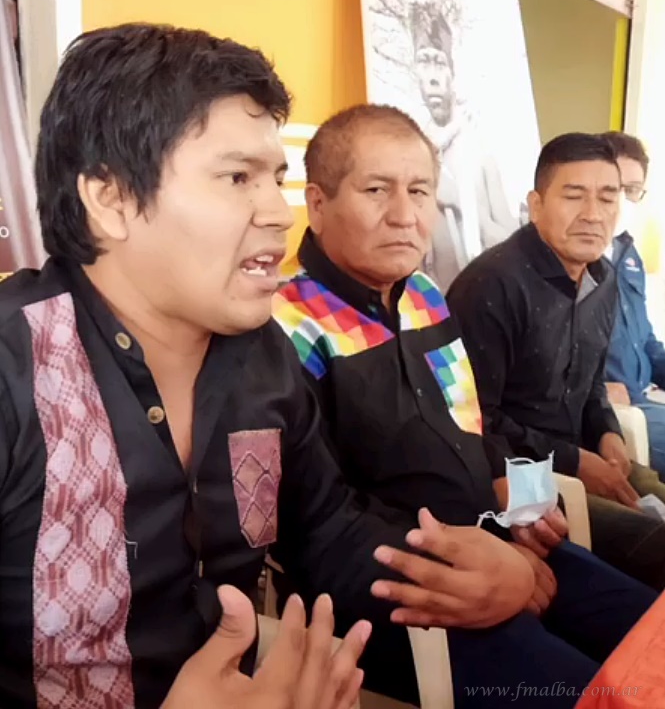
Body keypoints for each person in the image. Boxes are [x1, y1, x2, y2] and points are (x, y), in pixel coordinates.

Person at [0, 24, 540, 708]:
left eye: (276, 179)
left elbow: (329, 532)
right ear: (111, 200)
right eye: (237, 179)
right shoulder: (16, 371)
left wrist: (467, 571)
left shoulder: (262, 359)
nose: (278, 214)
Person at [273, 107, 656, 708]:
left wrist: (527, 502)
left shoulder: (423, 296)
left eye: (420, 191)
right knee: (604, 697)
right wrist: (488, 568)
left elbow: (474, 428)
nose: (405, 215)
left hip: (497, 538)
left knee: (651, 637)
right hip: (407, 588)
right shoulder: (286, 331)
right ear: (317, 204)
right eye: (377, 190)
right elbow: (321, 524)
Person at [447, 132, 665, 591]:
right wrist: (575, 461)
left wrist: (606, 432)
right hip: (517, 475)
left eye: (608, 197)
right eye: (574, 195)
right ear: (536, 204)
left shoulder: (603, 278)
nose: (593, 214)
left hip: (583, 456)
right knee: (656, 546)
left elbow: (591, 386)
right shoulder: (491, 285)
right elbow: (475, 422)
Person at [409, 0, 518, 291]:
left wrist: (462, 201)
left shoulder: (480, 151)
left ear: (452, 71)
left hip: (484, 302)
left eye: (439, 62)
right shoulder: (409, 155)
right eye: (423, 61)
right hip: (427, 305)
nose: (433, 77)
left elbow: (513, 250)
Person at [601, 131, 665, 480]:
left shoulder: (629, 254)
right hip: (613, 413)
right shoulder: (573, 260)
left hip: (643, 399)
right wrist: (598, 392)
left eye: (633, 190)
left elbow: (646, 340)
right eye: (616, 187)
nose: (624, 200)